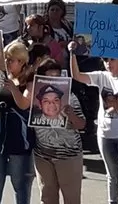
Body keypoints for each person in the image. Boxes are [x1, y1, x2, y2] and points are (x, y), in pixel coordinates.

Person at [70, 45, 118, 204]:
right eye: (106, 59)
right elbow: (77, 76)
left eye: (112, 59)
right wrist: (72, 53)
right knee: (112, 174)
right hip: (105, 134)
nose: (109, 63)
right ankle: (112, 201)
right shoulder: (101, 76)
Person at [0, 40, 36, 204]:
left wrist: (12, 87)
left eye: (11, 59)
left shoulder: (29, 80)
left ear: (22, 62)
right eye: (5, 59)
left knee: (18, 182)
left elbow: (24, 104)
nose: (7, 63)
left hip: (17, 132)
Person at [31, 57, 86, 204]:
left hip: (69, 156)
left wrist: (71, 115)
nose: (54, 81)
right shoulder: (32, 98)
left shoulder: (70, 97)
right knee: (47, 198)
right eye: (49, 77)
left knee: (71, 199)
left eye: (57, 77)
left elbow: (82, 124)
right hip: (43, 156)